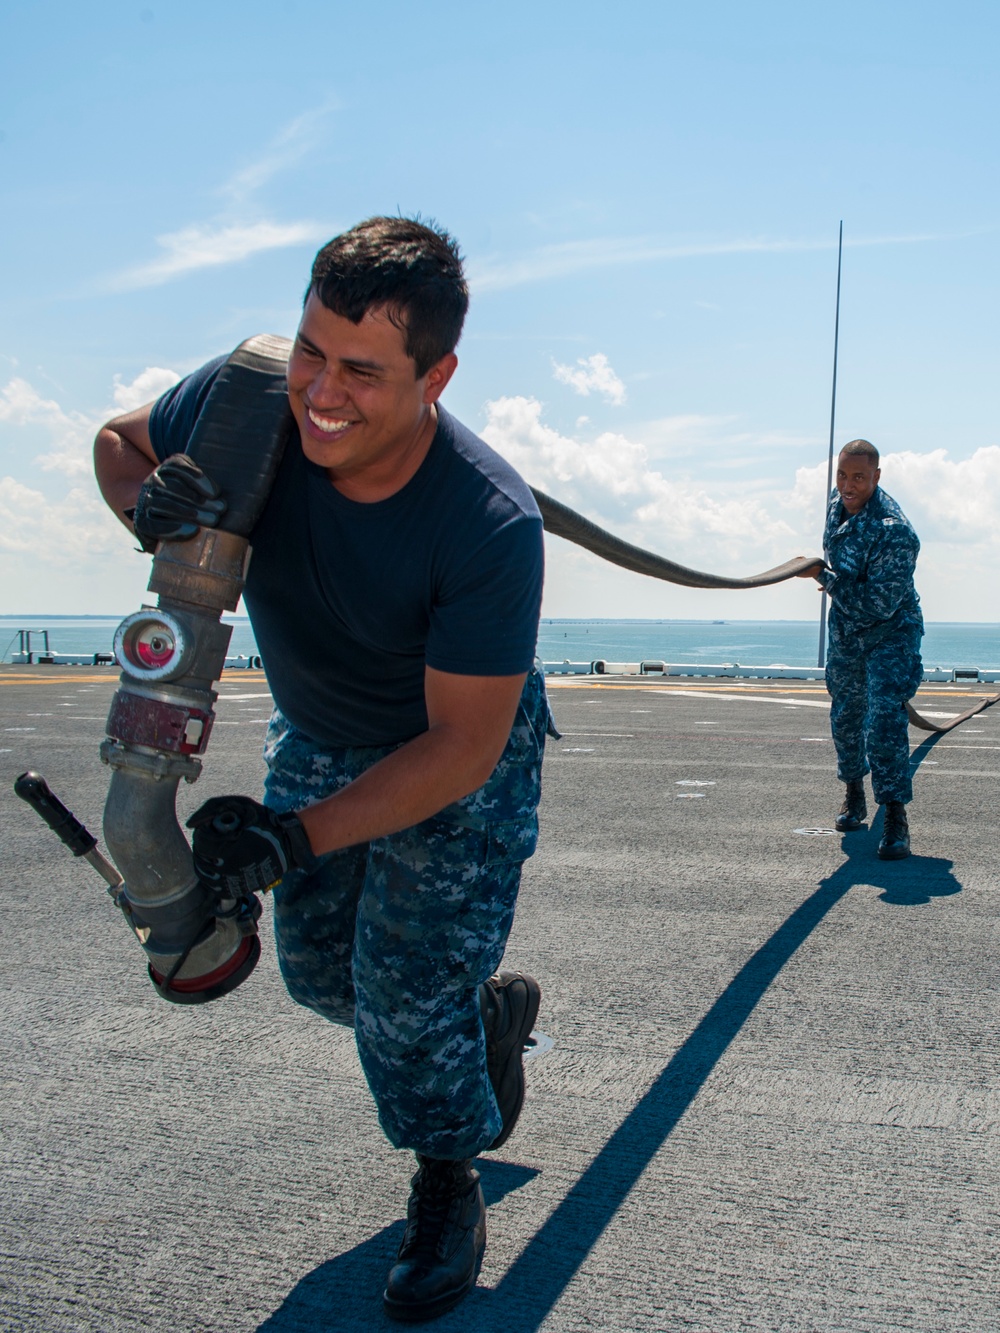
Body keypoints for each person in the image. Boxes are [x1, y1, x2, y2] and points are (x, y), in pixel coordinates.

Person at [94, 217, 554, 1322]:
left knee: (400, 995)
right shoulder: (251, 398)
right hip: (319, 729)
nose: (322, 393)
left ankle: (448, 1174)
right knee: (318, 977)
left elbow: (460, 747)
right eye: (313, 350)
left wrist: (291, 838)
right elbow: (120, 442)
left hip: (454, 756)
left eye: (361, 370)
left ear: (436, 374)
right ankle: (473, 1019)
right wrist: (143, 503)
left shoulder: (488, 524)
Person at [801, 439, 923, 859]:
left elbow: (879, 604)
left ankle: (894, 816)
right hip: (847, 632)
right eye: (841, 475)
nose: (848, 485)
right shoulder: (837, 508)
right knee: (847, 714)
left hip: (890, 631)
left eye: (858, 477)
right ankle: (854, 794)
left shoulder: (896, 532)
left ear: (876, 476)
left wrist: (828, 580)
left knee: (884, 719)